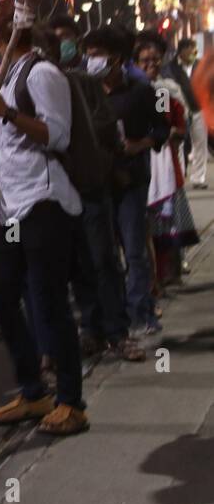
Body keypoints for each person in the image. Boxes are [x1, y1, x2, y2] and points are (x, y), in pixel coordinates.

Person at [0, 0, 88, 435]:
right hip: (8, 206)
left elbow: (57, 135)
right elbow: (10, 147)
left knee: (49, 303)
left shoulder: (42, 74)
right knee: (2, 294)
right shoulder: (4, 77)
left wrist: (6, 113)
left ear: (8, 36)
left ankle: (72, 402)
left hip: (43, 203)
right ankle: (33, 391)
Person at [82, 27, 169, 336]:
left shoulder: (145, 90)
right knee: (104, 255)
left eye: (96, 56)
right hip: (98, 182)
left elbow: (162, 130)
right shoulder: (84, 90)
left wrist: (139, 144)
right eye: (88, 56)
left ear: (116, 59)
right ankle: (113, 317)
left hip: (132, 180)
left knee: (134, 250)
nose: (90, 62)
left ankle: (142, 314)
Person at [136, 38, 199, 292]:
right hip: (141, 165)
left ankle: (166, 273)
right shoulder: (131, 88)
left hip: (164, 165)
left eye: (154, 59)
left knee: (166, 222)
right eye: (144, 60)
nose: (151, 64)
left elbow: (169, 123)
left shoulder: (163, 90)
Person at [170, 37, 207, 189]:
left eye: (194, 50)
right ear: (181, 51)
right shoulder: (170, 68)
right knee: (178, 146)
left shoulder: (200, 65)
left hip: (198, 110)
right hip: (180, 112)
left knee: (200, 144)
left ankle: (198, 178)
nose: (193, 53)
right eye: (190, 50)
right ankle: (178, 177)